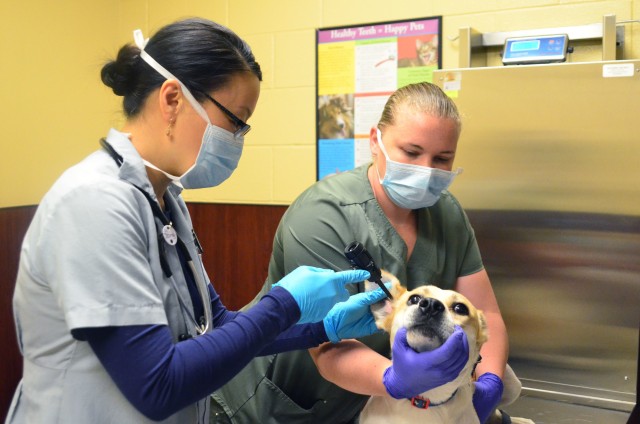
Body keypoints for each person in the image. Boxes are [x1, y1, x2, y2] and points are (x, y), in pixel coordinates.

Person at [6, 18, 392, 424]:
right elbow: (158, 384)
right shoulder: (94, 203)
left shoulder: (165, 199)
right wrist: (283, 304)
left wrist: (319, 328)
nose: (238, 139)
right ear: (172, 98)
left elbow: (216, 327)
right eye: (235, 121)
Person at [213, 82, 523, 423]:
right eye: (411, 152)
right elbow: (327, 346)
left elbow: (485, 315)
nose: (425, 169)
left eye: (442, 158)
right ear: (375, 140)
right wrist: (399, 381)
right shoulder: (323, 215)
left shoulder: (447, 213)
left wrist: (490, 381)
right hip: (276, 403)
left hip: (368, 409)